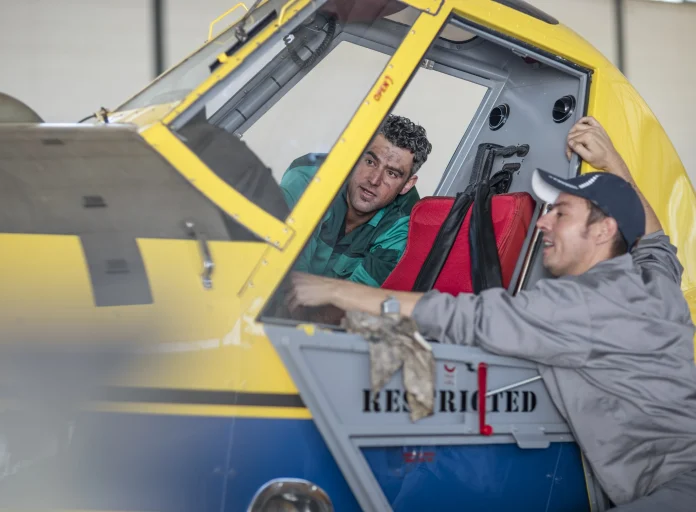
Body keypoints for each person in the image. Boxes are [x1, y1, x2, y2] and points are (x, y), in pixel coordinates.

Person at [286, 116, 696, 511]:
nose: (542, 223)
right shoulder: (650, 283)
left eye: (560, 213)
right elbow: (655, 241)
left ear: (604, 230)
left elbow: (464, 315)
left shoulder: (581, 306)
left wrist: (333, 290)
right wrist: (612, 165)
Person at [279, 114, 432, 287]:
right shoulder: (310, 180)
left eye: (391, 173)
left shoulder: (405, 224)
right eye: (370, 162)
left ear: (407, 185)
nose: (374, 180)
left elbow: (355, 298)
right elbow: (279, 269)